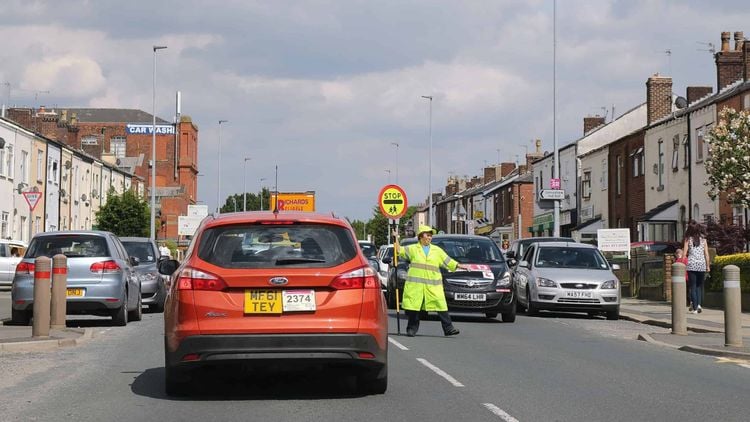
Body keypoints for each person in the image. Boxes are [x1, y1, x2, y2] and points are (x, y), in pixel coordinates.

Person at [397, 225, 469, 337]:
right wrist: (395, 237)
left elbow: (448, 261)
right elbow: (398, 250)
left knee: (441, 306)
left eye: (431, 235)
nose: (430, 237)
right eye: (427, 235)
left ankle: (448, 328)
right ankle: (411, 329)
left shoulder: (437, 250)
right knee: (414, 308)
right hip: (416, 286)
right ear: (420, 236)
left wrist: (459, 265)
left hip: (433, 285)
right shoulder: (412, 249)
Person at [683, 220, 710, 314]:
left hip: (691, 265)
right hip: (701, 265)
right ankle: (699, 305)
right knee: (699, 286)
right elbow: (706, 254)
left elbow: (685, 253)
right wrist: (708, 266)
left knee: (693, 286)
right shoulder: (703, 240)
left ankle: (694, 308)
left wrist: (682, 263)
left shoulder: (688, 239)